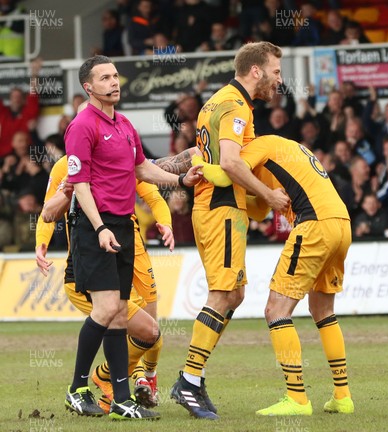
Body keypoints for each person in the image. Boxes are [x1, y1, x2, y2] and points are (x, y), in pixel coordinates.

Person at [154, 42, 290, 420]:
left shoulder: (217, 101)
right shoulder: (234, 105)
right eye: (276, 72)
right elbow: (230, 162)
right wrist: (268, 195)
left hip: (218, 207)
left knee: (236, 293)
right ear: (256, 71)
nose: (280, 80)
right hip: (221, 207)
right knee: (224, 293)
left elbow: (209, 155)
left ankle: (192, 379)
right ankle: (188, 380)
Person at [64, 55, 203, 420]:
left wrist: (180, 180)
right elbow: (78, 184)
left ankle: (122, 399)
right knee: (107, 309)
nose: (113, 82)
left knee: (120, 316)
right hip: (97, 226)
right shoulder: (81, 126)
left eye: (115, 76)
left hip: (124, 225)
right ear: (88, 87)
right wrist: (99, 227)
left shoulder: (125, 124)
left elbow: (143, 168)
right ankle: (77, 388)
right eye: (104, 78)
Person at [199, 134, 353, 416]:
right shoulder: (284, 150)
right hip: (340, 222)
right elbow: (260, 209)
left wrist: (200, 164)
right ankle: (342, 396)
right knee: (322, 310)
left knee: (276, 310)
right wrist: (247, 192)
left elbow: (225, 172)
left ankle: (297, 398)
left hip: (314, 224)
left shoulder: (256, 147)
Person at [35, 154, 169, 413]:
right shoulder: (68, 167)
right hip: (91, 263)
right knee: (137, 327)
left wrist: (167, 220)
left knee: (151, 334)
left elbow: (152, 191)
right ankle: (90, 385)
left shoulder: (118, 157)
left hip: (126, 259)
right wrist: (42, 242)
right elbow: (48, 212)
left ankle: (124, 391)